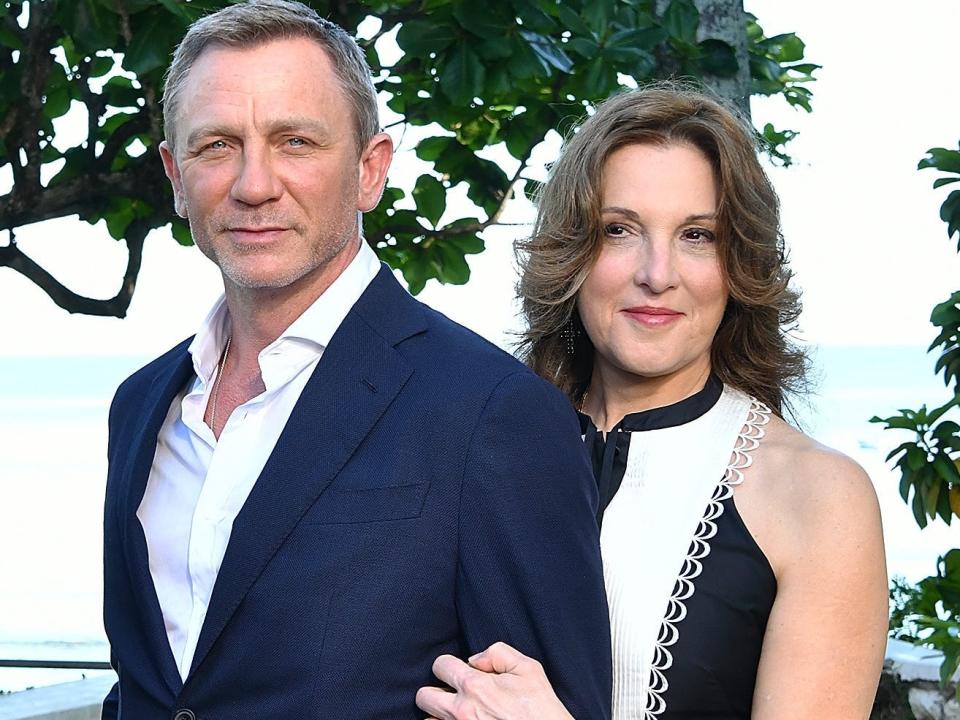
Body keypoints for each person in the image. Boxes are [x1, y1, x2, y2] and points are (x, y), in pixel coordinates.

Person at [100, 2, 612, 718]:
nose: (254, 184)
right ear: (175, 176)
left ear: (371, 169)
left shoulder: (494, 413)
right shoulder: (140, 406)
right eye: (216, 145)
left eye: (296, 142)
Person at [417, 85, 889, 720]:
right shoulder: (467, 445)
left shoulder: (819, 496)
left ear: (738, 262)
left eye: (697, 235)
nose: (657, 272)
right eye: (619, 231)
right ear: (573, 251)